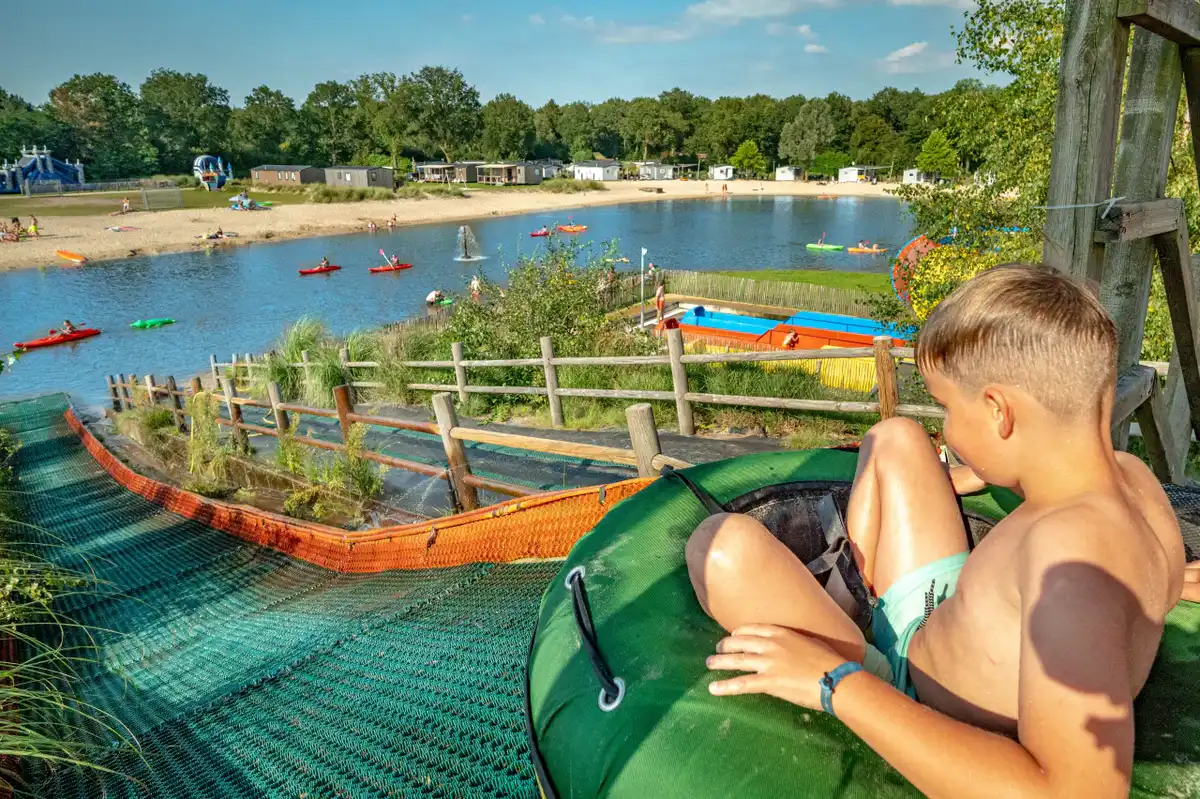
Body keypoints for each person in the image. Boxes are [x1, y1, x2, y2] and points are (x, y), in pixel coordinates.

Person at [685, 263, 1186, 799]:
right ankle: (855, 598)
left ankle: (848, 635)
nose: (946, 429)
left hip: (913, 704)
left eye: (947, 407)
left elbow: (1075, 793)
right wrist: (986, 472)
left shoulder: (1070, 564)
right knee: (897, 437)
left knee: (719, 550)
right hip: (945, 614)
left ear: (999, 412)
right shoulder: (1133, 482)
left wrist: (835, 682)